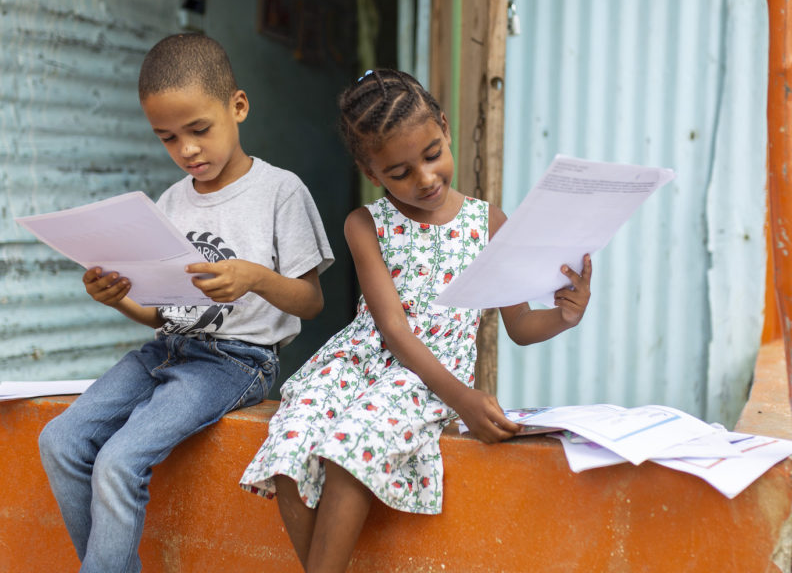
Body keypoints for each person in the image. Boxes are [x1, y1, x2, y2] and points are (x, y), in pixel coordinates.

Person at [239, 68, 592, 572]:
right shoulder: (365, 224)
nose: (425, 178)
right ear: (371, 171)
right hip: (359, 360)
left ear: (445, 129)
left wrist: (564, 316)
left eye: (431, 155)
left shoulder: (488, 223)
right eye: (400, 172)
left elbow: (519, 325)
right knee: (291, 446)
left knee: (347, 451)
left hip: (427, 377)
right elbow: (393, 331)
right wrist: (465, 400)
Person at [38, 33, 334, 573]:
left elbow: (311, 300)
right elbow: (161, 312)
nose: (187, 150)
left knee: (119, 461)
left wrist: (253, 278)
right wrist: (118, 297)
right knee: (61, 440)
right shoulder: (171, 201)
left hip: (236, 361)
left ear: (237, 106)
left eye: (199, 130)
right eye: (168, 138)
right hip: (165, 349)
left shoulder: (279, 191)